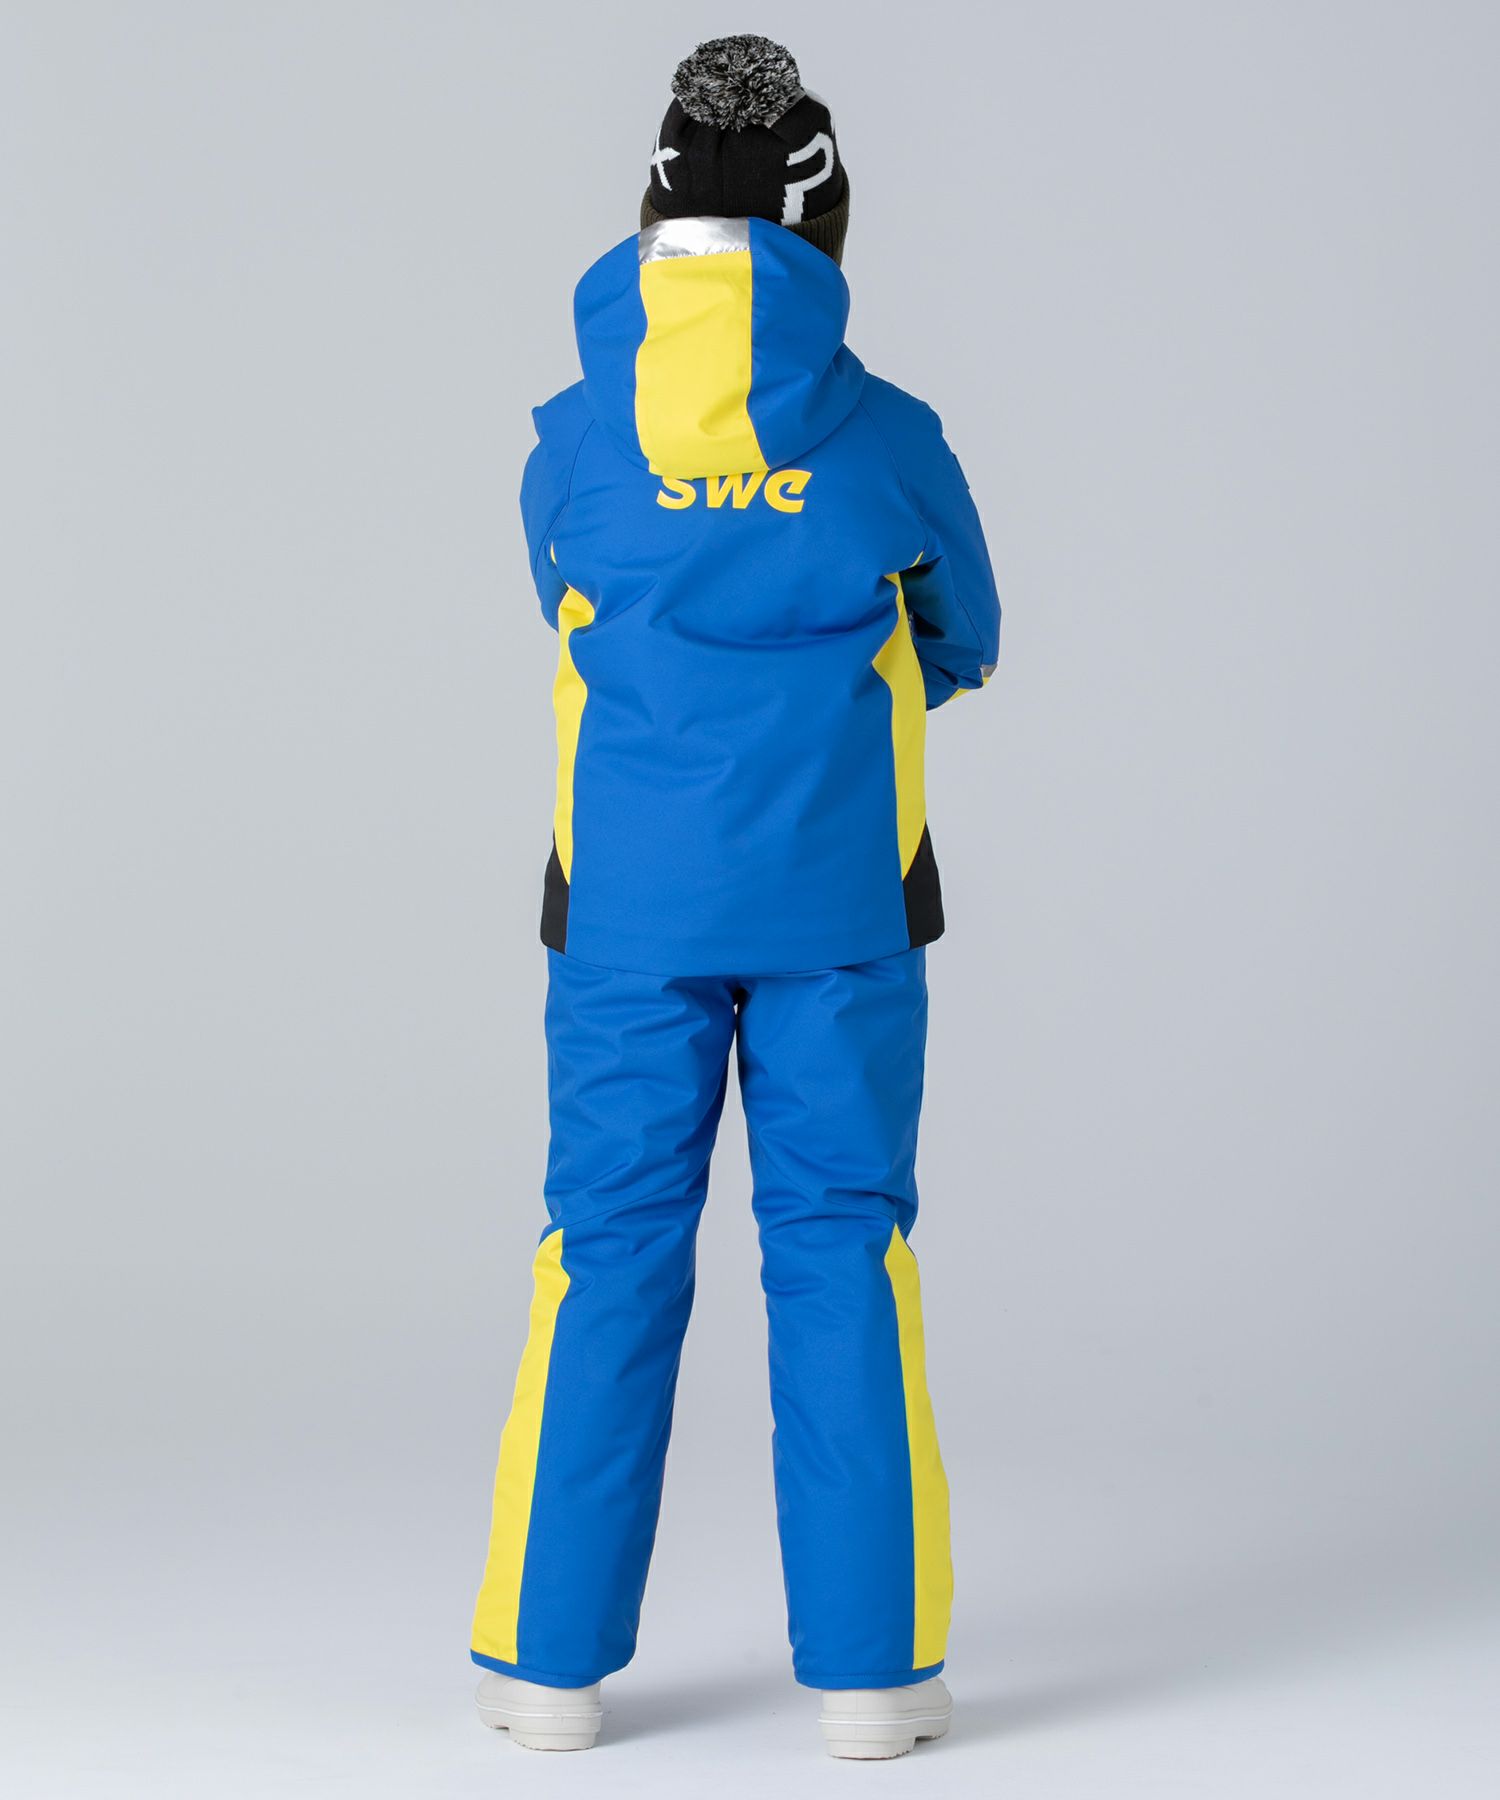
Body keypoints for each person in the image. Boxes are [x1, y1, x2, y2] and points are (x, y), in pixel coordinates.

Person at [470, 33, 1000, 1760]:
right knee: (842, 1248)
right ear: (820, 218)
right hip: (841, 911)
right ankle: (874, 1682)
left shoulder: (572, 441)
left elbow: (567, 604)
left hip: (625, 920)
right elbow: (968, 639)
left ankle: (545, 1672)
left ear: (651, 211)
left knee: (604, 1250)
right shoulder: (890, 439)